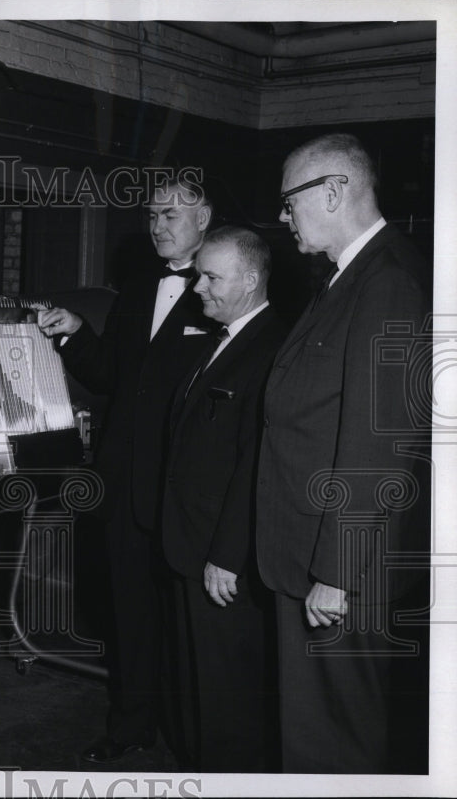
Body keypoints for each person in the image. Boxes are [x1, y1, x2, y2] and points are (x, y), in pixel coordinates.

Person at [256, 133, 431, 773]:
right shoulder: (349, 276)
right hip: (310, 550)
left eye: (288, 200)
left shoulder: (388, 280)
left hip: (340, 566)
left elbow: (379, 441)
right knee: (312, 735)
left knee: (336, 744)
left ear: (334, 191)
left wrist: (335, 568)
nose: (283, 216)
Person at [37, 175, 214, 764]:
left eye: (170, 214)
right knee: (131, 615)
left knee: (190, 620)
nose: (158, 225)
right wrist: (76, 334)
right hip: (123, 484)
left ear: (205, 218)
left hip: (185, 489)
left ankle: (196, 735)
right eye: (152, 215)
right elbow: (111, 376)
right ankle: (132, 724)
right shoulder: (138, 288)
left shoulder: (227, 287)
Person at [160, 226, 285, 772]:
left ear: (252, 280)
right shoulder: (223, 338)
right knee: (197, 685)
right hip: (189, 543)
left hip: (221, 558)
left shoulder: (273, 348)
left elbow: (254, 463)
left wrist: (226, 555)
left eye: (212, 277)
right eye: (198, 275)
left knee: (228, 694)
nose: (199, 288)